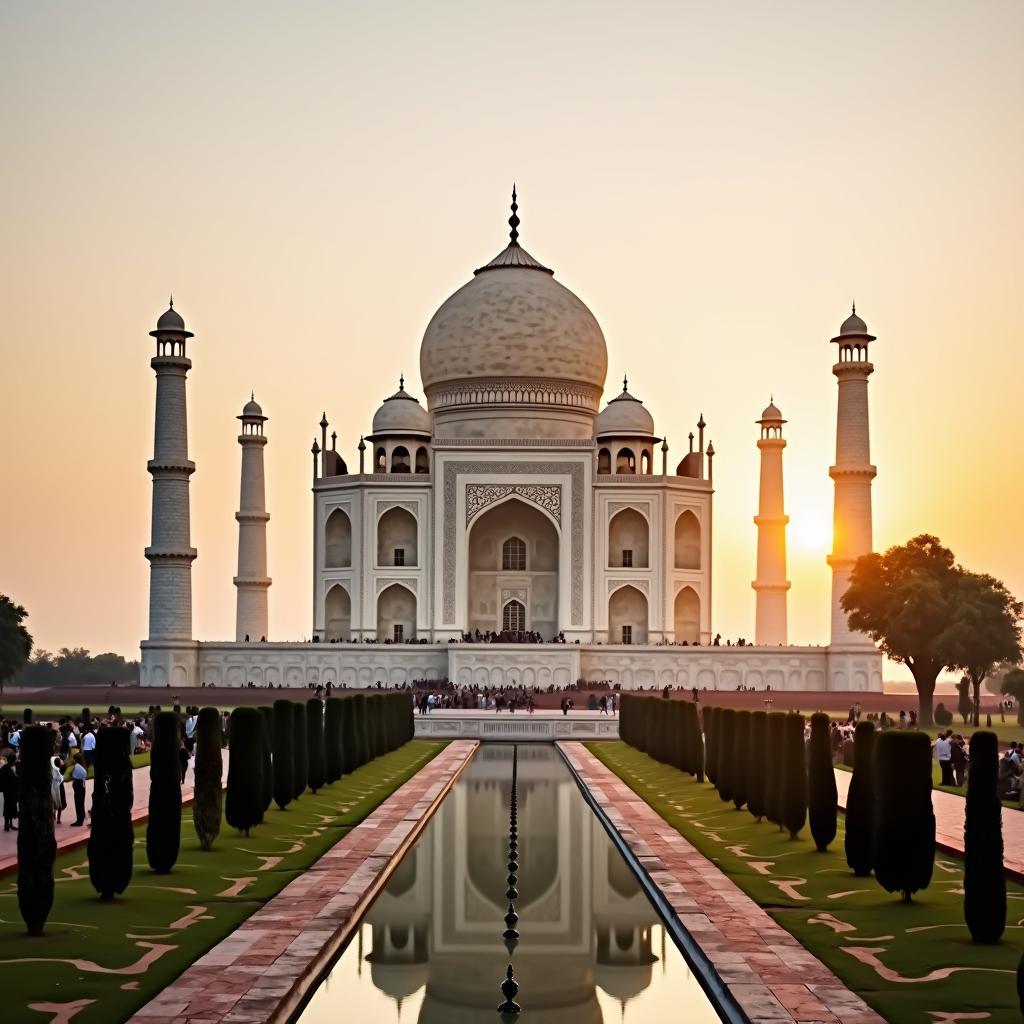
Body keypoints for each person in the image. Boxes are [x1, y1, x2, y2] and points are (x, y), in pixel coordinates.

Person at [0, 754, 18, 831]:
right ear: (12, 760)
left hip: (11, 791)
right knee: (8, 807)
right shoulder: (6, 768)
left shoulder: (9, 767)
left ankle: (9, 824)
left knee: (9, 807)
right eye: (14, 760)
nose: (15, 761)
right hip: (8, 792)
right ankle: (7, 825)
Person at [69, 754, 88, 826]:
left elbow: (69, 775)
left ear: (75, 760)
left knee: (78, 803)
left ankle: (79, 821)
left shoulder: (75, 767)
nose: (71, 760)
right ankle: (81, 817)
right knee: (81, 802)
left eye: (73, 759)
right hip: (82, 785)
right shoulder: (82, 766)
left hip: (78, 785)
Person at [50, 755, 66, 824]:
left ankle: (54, 813)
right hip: (59, 787)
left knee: (55, 800)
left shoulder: (52, 769)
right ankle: (58, 819)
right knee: (60, 802)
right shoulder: (62, 769)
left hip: (53, 787)